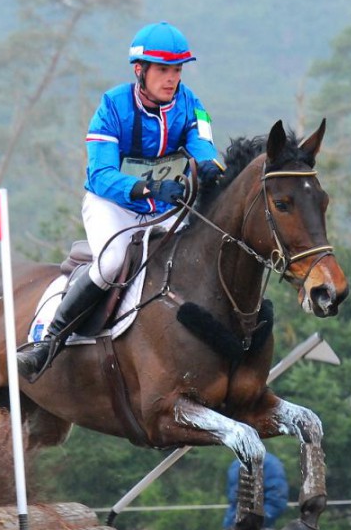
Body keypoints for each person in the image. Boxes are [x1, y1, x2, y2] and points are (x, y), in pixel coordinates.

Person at [17, 21, 225, 380]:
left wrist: (209, 167)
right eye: (163, 70)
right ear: (139, 70)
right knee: (112, 262)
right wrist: (146, 189)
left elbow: (204, 147)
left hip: (165, 209)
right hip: (111, 205)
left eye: (177, 70)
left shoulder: (191, 104)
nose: (172, 79)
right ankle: (48, 343)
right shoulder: (112, 106)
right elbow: (100, 174)